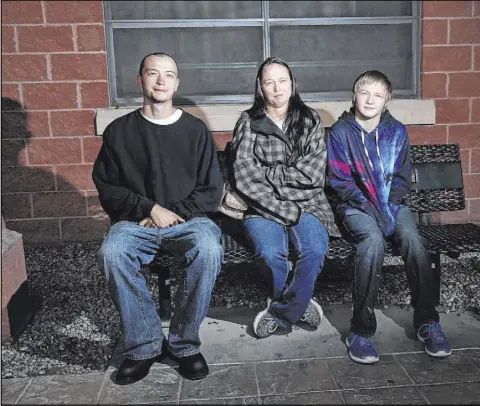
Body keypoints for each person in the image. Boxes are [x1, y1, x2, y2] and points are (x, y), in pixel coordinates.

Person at [92, 52, 224, 384]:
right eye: (153, 73)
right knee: (112, 252)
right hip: (137, 222)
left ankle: (183, 345)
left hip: (189, 221)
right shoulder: (119, 132)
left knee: (209, 248)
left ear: (176, 83)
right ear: (141, 80)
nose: (161, 80)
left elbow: (211, 189)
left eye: (168, 75)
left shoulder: (195, 130)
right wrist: (149, 209)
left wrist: (171, 214)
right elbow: (107, 186)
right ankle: (145, 345)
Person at [326, 70, 451, 364]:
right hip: (354, 207)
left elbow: (402, 177)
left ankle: (427, 321)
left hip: (392, 205)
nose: (370, 100)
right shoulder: (341, 132)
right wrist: (373, 211)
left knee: (413, 241)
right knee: (371, 242)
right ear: (354, 95)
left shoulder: (397, 132)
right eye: (365, 93)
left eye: (378, 95)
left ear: (387, 101)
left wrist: (387, 207)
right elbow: (340, 181)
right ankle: (360, 331)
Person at [229, 56, 340, 339]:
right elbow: (244, 176)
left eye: (283, 81)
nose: (277, 88)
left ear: (292, 83)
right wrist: (282, 201)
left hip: (309, 205)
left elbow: (311, 177)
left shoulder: (310, 119)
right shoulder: (248, 122)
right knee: (270, 253)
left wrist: (268, 174)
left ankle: (281, 310)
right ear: (260, 88)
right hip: (261, 205)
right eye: (269, 82)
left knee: (314, 249)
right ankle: (300, 303)